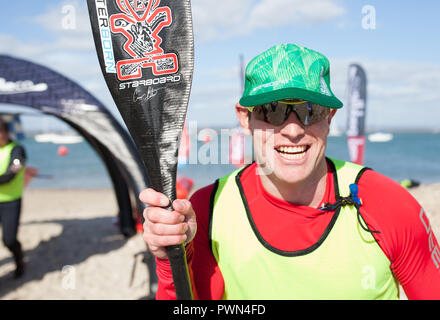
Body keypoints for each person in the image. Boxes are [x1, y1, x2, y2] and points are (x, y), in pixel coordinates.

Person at [140, 43, 440, 299]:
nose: (294, 129)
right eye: (273, 109)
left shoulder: (387, 204)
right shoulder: (210, 209)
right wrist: (172, 258)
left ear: (330, 117)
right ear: (245, 117)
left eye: (311, 109)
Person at [0, 118, 27, 278]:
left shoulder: (17, 150)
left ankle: (19, 260)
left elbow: (12, 173)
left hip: (11, 201)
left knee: (9, 240)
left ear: (6, 132)